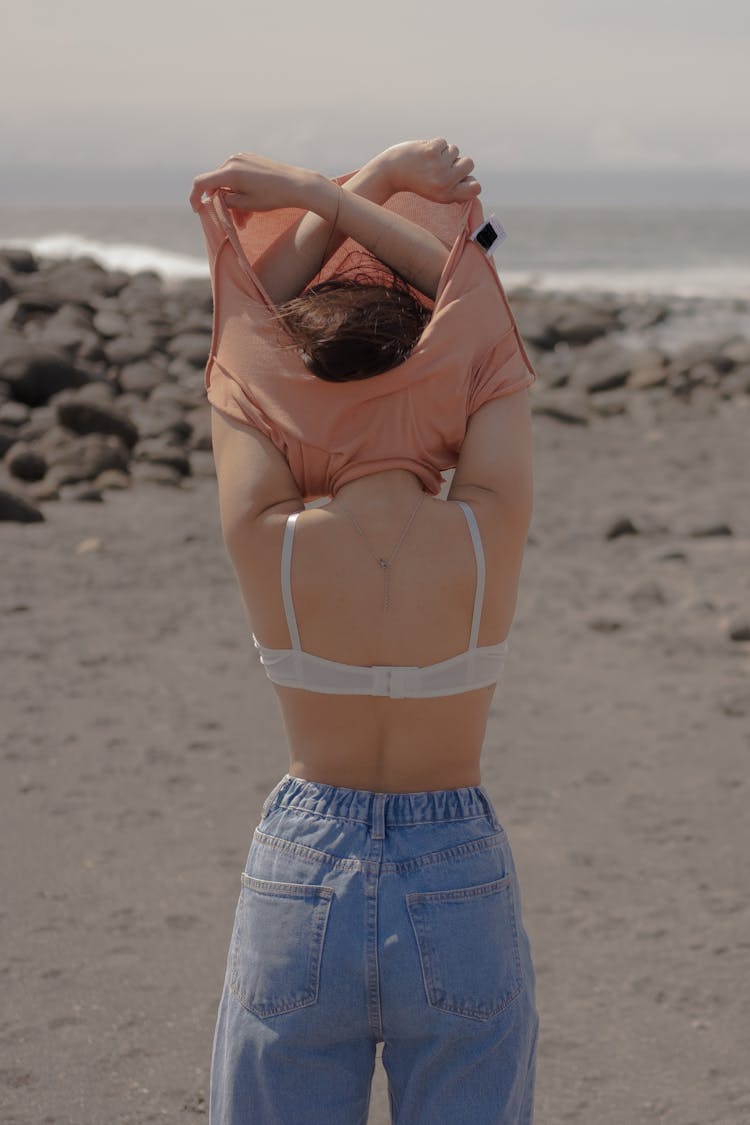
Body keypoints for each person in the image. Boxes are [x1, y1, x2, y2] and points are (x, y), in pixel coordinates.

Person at [190, 139, 539, 1125]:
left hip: (306, 865)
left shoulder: (268, 536)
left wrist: (351, 186)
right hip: (455, 857)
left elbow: (242, 325)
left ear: (287, 403)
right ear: (448, 383)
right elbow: (479, 306)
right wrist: (347, 190)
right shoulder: (490, 523)